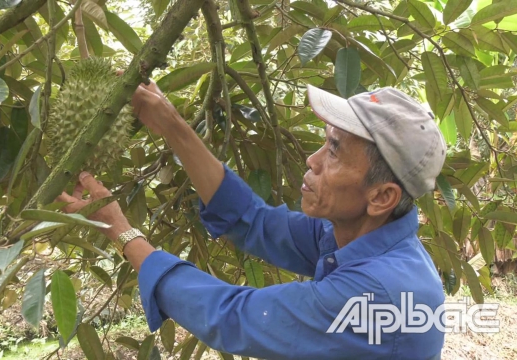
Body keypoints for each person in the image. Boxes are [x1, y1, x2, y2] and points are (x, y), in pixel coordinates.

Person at [58, 81, 447, 359]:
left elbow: (234, 318)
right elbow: (252, 220)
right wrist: (172, 125)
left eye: (333, 150)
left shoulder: (378, 296)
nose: (312, 160)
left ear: (381, 197)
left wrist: (119, 228)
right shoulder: (352, 235)